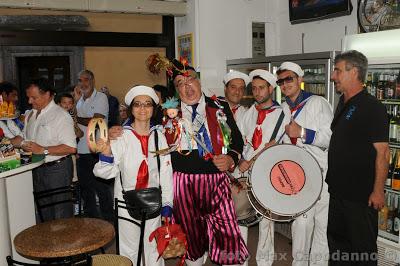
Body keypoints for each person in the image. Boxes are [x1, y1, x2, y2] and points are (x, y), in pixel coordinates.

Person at [170, 60, 248, 266]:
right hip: (183, 183)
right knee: (191, 235)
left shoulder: (219, 105)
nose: (187, 87)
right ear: (176, 90)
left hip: (216, 180)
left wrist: (231, 158)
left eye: (190, 81)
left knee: (227, 230)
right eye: (180, 83)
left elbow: (237, 141)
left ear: (199, 81)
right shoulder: (169, 113)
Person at [93, 85, 173, 265]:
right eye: (137, 104)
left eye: (147, 104)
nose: (143, 109)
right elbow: (105, 172)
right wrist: (106, 152)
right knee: (129, 249)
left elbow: (166, 172)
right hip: (125, 202)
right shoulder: (121, 137)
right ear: (131, 109)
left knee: (153, 248)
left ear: (153, 109)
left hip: (153, 200)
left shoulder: (159, 136)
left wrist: (168, 203)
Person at [327, 50, 389, 265]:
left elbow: (383, 152)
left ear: (354, 72)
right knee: (337, 248)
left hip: (360, 197)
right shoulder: (343, 102)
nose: (333, 76)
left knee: (362, 252)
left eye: (337, 70)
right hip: (337, 193)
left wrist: (378, 190)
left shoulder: (372, 107)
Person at [278, 61, 333, 266]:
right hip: (297, 176)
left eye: (289, 79)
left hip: (322, 174)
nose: (285, 84)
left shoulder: (318, 103)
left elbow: (329, 139)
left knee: (322, 225)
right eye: (281, 81)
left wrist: (302, 132)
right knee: (301, 224)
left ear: (300, 80)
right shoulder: (283, 108)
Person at [237, 69, 287, 266]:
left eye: (261, 88)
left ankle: (264, 262)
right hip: (246, 170)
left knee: (267, 220)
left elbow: (284, 145)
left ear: (271, 89)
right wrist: (241, 159)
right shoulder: (250, 112)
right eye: (254, 88)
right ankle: (240, 260)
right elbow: (241, 140)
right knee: (241, 213)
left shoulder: (281, 113)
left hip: (267, 171)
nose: (257, 92)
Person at [19, 78, 77, 222]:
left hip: (57, 169)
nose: (30, 101)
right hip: (37, 168)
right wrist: (12, 142)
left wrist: (43, 150)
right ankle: (49, 243)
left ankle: (65, 244)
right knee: (44, 212)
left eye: (34, 97)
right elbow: (25, 138)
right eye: (28, 97)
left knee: (61, 213)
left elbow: (71, 147)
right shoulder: (31, 115)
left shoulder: (60, 115)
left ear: (47, 95)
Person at [75, 70, 113, 221]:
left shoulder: (101, 97)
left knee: (101, 187)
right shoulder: (78, 100)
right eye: (80, 80)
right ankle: (92, 221)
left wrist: (74, 117)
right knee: (85, 188)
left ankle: (108, 220)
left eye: (86, 80)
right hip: (80, 150)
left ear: (93, 81)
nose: (83, 83)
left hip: (97, 149)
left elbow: (96, 121)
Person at [0, 81, 23, 146]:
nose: (16, 99)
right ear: (4, 94)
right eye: (13, 95)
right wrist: (11, 141)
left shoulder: (14, 115)